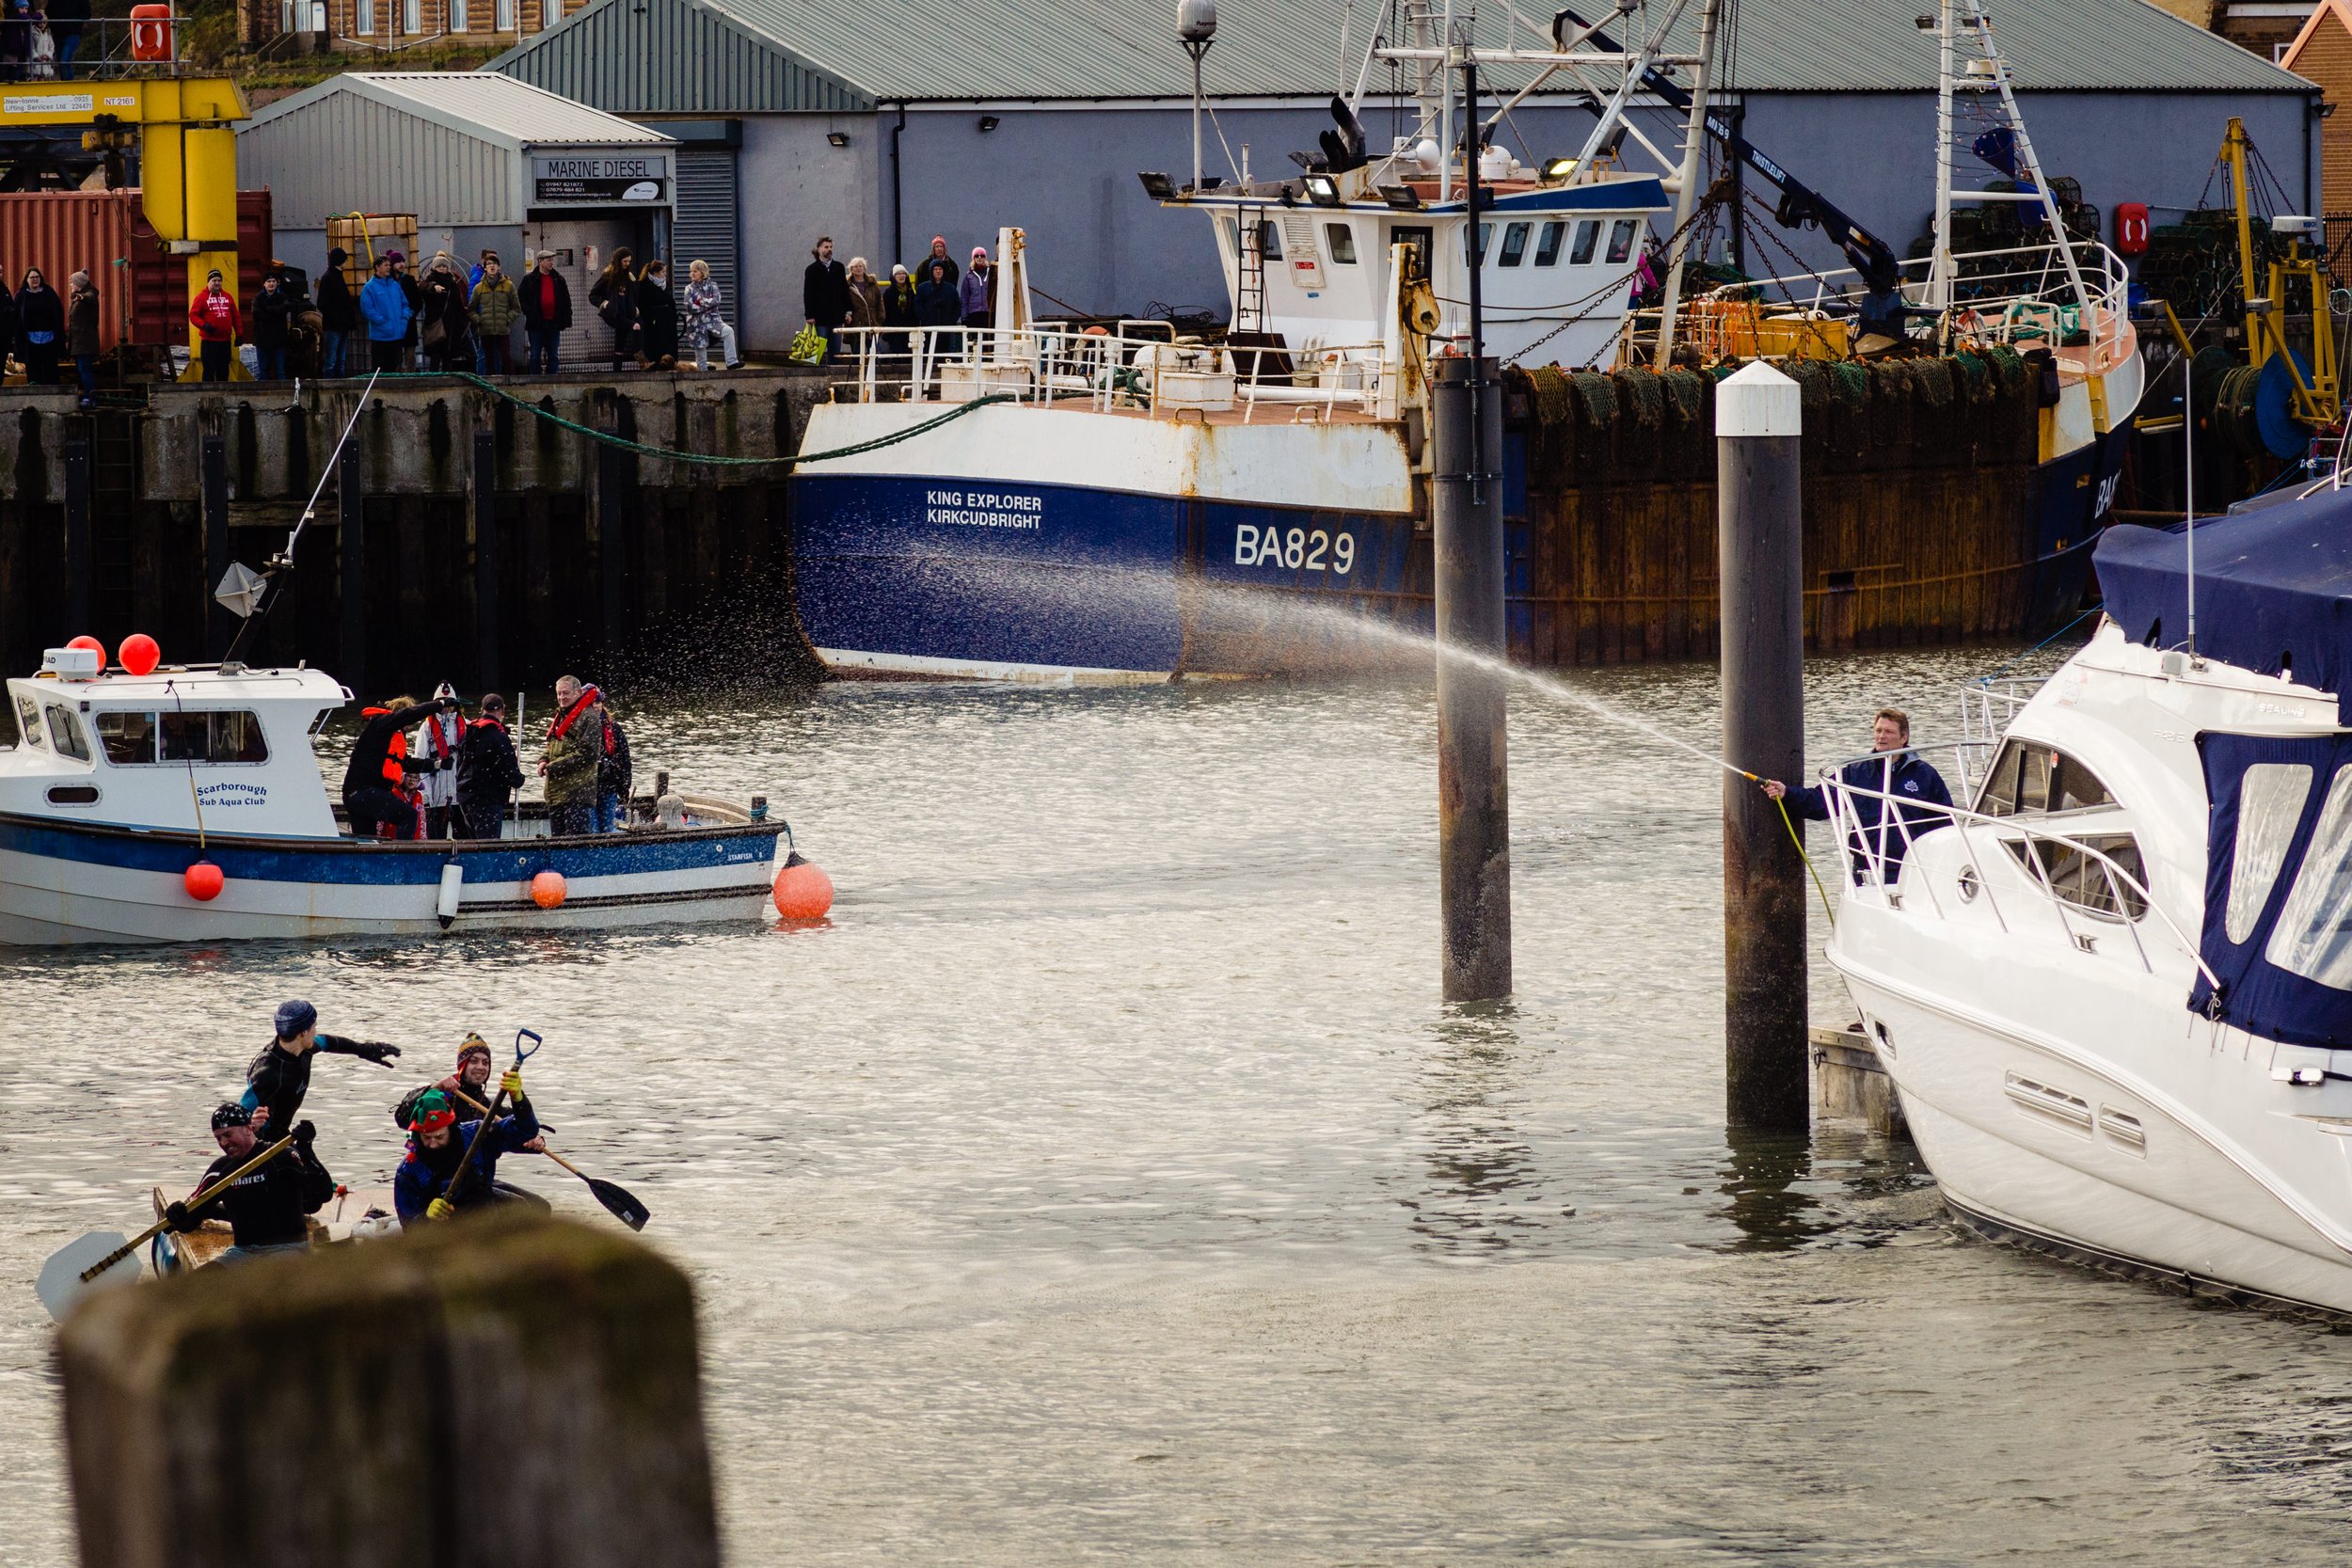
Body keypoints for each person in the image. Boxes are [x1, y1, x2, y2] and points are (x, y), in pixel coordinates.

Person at [1763, 707, 1953, 883]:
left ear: (1904, 737)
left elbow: (1944, 822)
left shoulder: (1925, 774)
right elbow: (1821, 802)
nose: (1881, 736)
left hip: (1913, 865)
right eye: (1878, 731)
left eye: (1889, 732)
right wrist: (1787, 793)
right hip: (1867, 865)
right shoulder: (1857, 771)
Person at [162, 1103, 335, 1262]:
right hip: (242, 1253)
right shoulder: (220, 1170)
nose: (223, 1143)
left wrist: (306, 1150)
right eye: (218, 1138)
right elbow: (189, 1223)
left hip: (290, 1250)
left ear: (248, 1129)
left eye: (228, 1135)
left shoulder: (282, 1156)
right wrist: (177, 1215)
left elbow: (323, 1194)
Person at [391, 1069, 543, 1227]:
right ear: (417, 1135)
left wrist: (518, 1098)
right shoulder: (409, 1169)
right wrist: (425, 1217)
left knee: (533, 1208)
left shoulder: (477, 1136)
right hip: (444, 1228)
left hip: (482, 1206)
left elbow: (525, 1131)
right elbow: (409, 1228)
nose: (433, 1144)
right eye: (426, 1138)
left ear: (451, 1128)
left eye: (439, 1137)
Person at [243, 997, 403, 1133]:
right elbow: (235, 1119)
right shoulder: (267, 1072)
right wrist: (250, 1123)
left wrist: (365, 1050)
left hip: (283, 1137)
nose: (316, 1031)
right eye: (314, 1027)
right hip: (260, 1146)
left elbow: (329, 1042)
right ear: (303, 1033)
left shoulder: (304, 1048)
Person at [342, 693, 455, 839]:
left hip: (357, 795)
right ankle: (403, 858)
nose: (410, 727)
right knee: (408, 815)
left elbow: (406, 763)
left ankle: (369, 860)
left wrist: (437, 764)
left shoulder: (388, 735)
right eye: (409, 723)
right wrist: (439, 704)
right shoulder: (381, 723)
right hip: (363, 792)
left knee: (367, 840)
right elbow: (409, 714)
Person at [453, 690, 524, 838]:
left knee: (473, 841)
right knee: (488, 843)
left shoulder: (470, 732)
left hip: (466, 796)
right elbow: (509, 769)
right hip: (487, 798)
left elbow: (460, 763)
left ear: (482, 710)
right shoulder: (498, 736)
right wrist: (519, 780)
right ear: (502, 710)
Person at [540, 674, 604, 837]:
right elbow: (553, 744)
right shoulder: (562, 715)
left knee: (575, 845)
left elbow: (587, 754)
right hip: (557, 794)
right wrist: (544, 760)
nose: (562, 697)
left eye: (566, 693)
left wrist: (553, 767)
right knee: (558, 843)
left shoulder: (589, 718)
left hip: (577, 794)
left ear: (578, 693)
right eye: (559, 693)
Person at [410, 680, 464, 838]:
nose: (446, 708)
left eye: (450, 704)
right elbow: (420, 759)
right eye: (442, 704)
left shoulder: (465, 726)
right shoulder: (426, 728)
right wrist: (425, 796)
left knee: (463, 837)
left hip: (459, 795)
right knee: (435, 837)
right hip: (436, 797)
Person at [681, 259, 739, 372]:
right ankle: (703, 373)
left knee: (728, 331)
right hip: (696, 323)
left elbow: (716, 301)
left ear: (703, 273)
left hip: (713, 320)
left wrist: (700, 302)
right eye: (691, 271)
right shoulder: (689, 288)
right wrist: (707, 304)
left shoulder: (713, 285)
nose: (692, 274)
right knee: (700, 348)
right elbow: (689, 306)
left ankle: (732, 362)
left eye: (695, 271)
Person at [469, 251, 519, 375]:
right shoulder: (479, 287)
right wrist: (480, 320)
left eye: (495, 264)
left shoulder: (508, 285)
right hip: (486, 330)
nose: (492, 266)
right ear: (485, 267)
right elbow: (471, 309)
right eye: (489, 264)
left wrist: (507, 319)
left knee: (506, 358)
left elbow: (516, 308)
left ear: (499, 267)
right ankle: (490, 387)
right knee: (488, 360)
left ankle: (511, 385)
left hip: (503, 329)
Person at [420, 252, 471, 373]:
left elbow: (457, 302)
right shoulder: (430, 280)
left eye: (444, 266)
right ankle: (433, 381)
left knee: (448, 356)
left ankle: (447, 380)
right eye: (439, 266)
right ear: (434, 268)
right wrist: (433, 287)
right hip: (437, 323)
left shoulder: (452, 283)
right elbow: (422, 287)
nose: (442, 268)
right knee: (436, 356)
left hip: (452, 325)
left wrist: (463, 315)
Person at [359, 252, 410, 372]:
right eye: (385, 265)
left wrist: (404, 320)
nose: (389, 267)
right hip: (380, 338)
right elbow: (367, 310)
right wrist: (383, 323)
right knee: (379, 369)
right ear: (377, 267)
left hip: (397, 336)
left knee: (394, 368)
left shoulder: (395, 286)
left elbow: (405, 305)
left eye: (389, 265)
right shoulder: (369, 287)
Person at [520, 249, 570, 372]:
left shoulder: (559, 279)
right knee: (535, 355)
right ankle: (535, 382)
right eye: (548, 260)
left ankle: (552, 381)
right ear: (540, 262)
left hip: (554, 323)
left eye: (552, 260)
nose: (551, 263)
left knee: (553, 355)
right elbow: (521, 298)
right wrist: (530, 314)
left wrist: (566, 318)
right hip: (536, 324)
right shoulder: (529, 280)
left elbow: (566, 300)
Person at [589, 247, 638, 372]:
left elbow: (633, 295)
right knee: (629, 326)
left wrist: (635, 307)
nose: (627, 264)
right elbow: (593, 295)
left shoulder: (629, 277)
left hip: (626, 311)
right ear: (618, 261)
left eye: (629, 261)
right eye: (625, 261)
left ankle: (617, 371)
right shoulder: (608, 276)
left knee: (620, 343)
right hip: (614, 312)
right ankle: (633, 325)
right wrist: (604, 303)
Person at [186, 269, 239, 382]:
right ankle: (208, 394)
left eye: (219, 280)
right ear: (208, 282)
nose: (217, 283)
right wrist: (204, 325)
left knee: (224, 370)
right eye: (214, 280)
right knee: (209, 370)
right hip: (209, 341)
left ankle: (224, 394)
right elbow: (193, 315)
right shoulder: (201, 297)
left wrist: (240, 334)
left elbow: (236, 316)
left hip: (225, 341)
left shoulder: (228, 297)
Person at [803, 236, 849, 363]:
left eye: (830, 247)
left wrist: (847, 311)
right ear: (819, 249)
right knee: (817, 349)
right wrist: (809, 315)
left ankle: (834, 376)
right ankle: (814, 375)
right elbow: (808, 294)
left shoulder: (839, 267)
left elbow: (844, 290)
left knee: (835, 350)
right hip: (819, 317)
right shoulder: (811, 269)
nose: (829, 249)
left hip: (836, 316)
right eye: (826, 247)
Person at [13, 263, 59, 384]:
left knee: (50, 367)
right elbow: (16, 316)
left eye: (37, 277)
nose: (35, 280)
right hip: (30, 338)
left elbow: (58, 311)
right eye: (32, 277)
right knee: (33, 366)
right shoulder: (21, 295)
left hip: (49, 336)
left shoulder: (49, 293)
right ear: (26, 280)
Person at [317, 246, 356, 378]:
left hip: (338, 324)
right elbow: (323, 303)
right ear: (340, 261)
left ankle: (335, 384)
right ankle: (333, 385)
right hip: (335, 325)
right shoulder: (330, 278)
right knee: (334, 360)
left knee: (338, 360)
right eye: (345, 260)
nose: (346, 262)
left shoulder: (333, 276)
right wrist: (338, 318)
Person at [248, 270, 294, 381]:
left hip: (279, 341)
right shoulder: (258, 298)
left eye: (273, 281)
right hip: (262, 341)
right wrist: (276, 312)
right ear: (264, 283)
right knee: (263, 371)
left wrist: (268, 309)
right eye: (268, 281)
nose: (271, 284)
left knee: (280, 371)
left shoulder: (283, 297)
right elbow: (257, 314)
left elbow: (286, 308)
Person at [915, 257, 961, 364]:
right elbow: (917, 305)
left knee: (945, 355)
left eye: (940, 269)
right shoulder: (923, 288)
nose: (938, 271)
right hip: (928, 327)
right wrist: (924, 317)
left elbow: (958, 305)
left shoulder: (951, 288)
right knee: (928, 354)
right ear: (931, 271)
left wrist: (952, 320)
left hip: (946, 328)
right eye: (935, 269)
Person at [596, 697, 631, 833]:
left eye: (597, 702)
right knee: (591, 829)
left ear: (602, 704)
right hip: (588, 789)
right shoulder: (580, 727)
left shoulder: (614, 728)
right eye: (590, 703)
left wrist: (625, 786)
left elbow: (625, 760)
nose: (595, 706)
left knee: (607, 827)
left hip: (609, 787)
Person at [636, 258, 678, 369]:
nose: (665, 275)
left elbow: (670, 301)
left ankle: (670, 364)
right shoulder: (644, 286)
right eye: (663, 272)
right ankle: (656, 364)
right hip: (655, 322)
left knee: (669, 345)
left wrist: (674, 316)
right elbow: (642, 306)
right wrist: (651, 318)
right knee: (656, 346)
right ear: (655, 273)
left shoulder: (665, 285)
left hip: (668, 321)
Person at [64, 267, 95, 405]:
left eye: (72, 283)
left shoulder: (88, 295)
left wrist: (82, 297)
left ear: (79, 284)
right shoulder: (78, 298)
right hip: (78, 343)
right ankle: (88, 396)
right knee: (83, 369)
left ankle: (90, 397)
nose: (70, 285)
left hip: (84, 343)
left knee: (85, 369)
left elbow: (90, 298)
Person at [880, 261, 918, 361]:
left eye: (903, 273)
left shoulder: (910, 291)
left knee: (908, 353)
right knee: (896, 352)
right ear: (894, 276)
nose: (901, 276)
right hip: (894, 328)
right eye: (898, 274)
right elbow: (886, 311)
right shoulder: (888, 292)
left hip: (909, 328)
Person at [390, 249, 421, 370]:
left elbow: (417, 301)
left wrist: (410, 313)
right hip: (395, 324)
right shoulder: (389, 281)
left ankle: (411, 381)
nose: (402, 264)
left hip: (409, 322)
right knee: (396, 358)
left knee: (410, 357)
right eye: (398, 262)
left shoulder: (409, 279)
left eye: (403, 261)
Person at [960, 245, 993, 331]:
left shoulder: (991, 274)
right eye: (976, 256)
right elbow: (964, 298)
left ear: (985, 258)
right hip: (974, 312)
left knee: (988, 339)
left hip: (988, 312)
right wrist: (964, 317)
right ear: (973, 258)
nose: (979, 258)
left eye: (982, 256)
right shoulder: (969, 276)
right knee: (975, 340)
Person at [46, 0, 80, 78]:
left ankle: (70, 87)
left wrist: (73, 24)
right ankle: (65, 84)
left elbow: (86, 14)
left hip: (72, 33)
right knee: (61, 63)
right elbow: (49, 11)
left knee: (64, 61)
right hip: (58, 34)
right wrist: (53, 26)